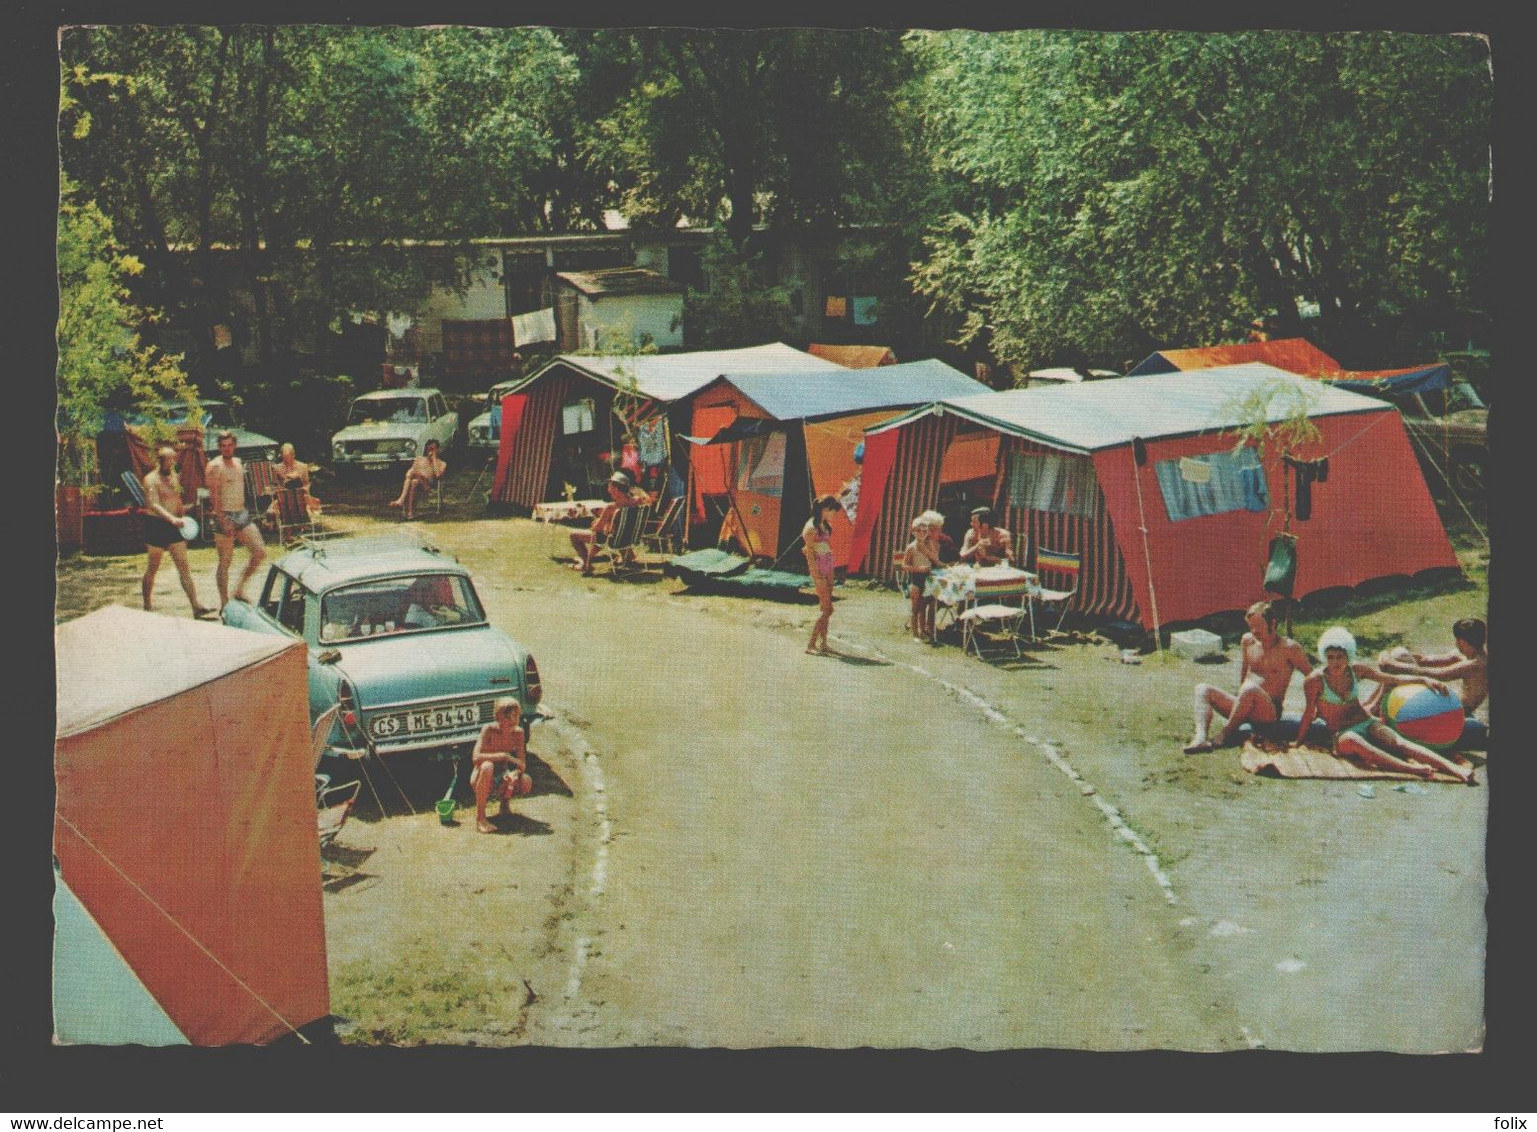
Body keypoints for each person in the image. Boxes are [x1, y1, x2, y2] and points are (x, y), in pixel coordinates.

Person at [1294, 626, 1476, 784]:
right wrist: (1298, 742)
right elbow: (1309, 713)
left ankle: (1455, 770)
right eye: (1331, 657)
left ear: (1348, 655)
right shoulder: (1315, 681)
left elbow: (1392, 679)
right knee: (1355, 742)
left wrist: (1424, 679)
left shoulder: (1356, 670)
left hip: (1366, 722)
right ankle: (1411, 769)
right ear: (1324, 656)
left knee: (1399, 742)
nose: (1335, 662)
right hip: (1341, 734)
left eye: (1340, 657)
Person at [1185, 600, 1311, 752]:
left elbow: (1312, 677)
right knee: (1202, 689)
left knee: (1249, 689)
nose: (1254, 631)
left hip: (1268, 712)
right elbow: (1245, 671)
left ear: (1272, 623)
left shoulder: (1289, 648)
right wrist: (1240, 700)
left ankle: (1225, 733)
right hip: (1245, 702)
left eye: (1258, 626)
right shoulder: (1248, 641)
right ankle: (1200, 738)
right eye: (1251, 626)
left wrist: (1314, 707)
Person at [139, 445, 216, 619]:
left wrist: (184, 515)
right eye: (168, 459)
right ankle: (147, 605)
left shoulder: (174, 477)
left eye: (173, 458)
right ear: (160, 460)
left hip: (175, 526)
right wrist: (172, 519)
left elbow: (176, 500)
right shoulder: (150, 479)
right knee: (153, 568)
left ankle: (196, 606)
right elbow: (154, 504)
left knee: (184, 567)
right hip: (156, 525)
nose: (172, 462)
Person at [1370, 617, 1488, 716]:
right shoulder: (1465, 654)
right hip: (1448, 704)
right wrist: (1397, 659)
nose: (1456, 644)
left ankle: (1374, 709)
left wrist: (1393, 665)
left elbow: (1437, 675)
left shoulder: (1478, 664)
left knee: (1398, 663)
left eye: (1457, 641)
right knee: (1399, 654)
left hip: (1457, 712)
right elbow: (1424, 660)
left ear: (1462, 642)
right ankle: (1371, 703)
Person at [204, 429, 267, 609]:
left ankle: (239, 590)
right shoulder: (215, 466)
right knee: (225, 561)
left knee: (260, 552)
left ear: (235, 446)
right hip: (224, 515)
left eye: (230, 445)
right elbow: (213, 496)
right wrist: (222, 519)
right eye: (223, 446)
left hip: (242, 514)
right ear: (219, 447)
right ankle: (224, 603)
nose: (227, 449)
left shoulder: (239, 463)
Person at [470, 698, 530, 834]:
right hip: (481, 776)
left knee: (526, 780)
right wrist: (504, 756)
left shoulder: (518, 733)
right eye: (507, 717)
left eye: (516, 716)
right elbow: (476, 758)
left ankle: (504, 806)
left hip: (501, 776)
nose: (512, 722)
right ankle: (480, 818)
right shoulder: (489, 730)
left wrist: (515, 772)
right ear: (497, 717)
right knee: (487, 766)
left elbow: (522, 764)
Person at [569, 471, 641, 576]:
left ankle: (586, 564)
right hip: (628, 538)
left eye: (609, 486)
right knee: (606, 531)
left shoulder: (611, 507)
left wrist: (597, 521)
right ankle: (627, 556)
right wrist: (606, 520)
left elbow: (596, 529)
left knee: (574, 536)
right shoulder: (637, 502)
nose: (608, 490)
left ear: (616, 489)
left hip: (612, 539)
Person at [803, 495, 843, 655]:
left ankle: (823, 643)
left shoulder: (824, 525)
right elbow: (809, 553)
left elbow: (823, 546)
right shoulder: (810, 528)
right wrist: (817, 575)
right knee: (827, 608)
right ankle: (811, 644)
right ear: (825, 510)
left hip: (828, 565)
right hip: (818, 568)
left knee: (826, 607)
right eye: (833, 511)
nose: (835, 514)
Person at [902, 514, 943, 641]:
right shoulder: (911, 547)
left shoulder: (929, 544)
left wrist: (926, 549)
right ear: (913, 532)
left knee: (924, 606)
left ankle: (923, 630)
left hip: (928, 578)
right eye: (918, 531)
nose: (922, 533)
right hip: (916, 578)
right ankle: (915, 634)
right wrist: (918, 569)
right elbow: (904, 566)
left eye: (925, 531)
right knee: (915, 607)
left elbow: (935, 559)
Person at [388, 437, 446, 520]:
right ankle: (410, 513)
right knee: (413, 481)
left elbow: (438, 476)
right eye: (429, 449)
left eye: (433, 449)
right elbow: (410, 474)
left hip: (428, 486)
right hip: (417, 482)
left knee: (412, 474)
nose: (430, 451)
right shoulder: (419, 459)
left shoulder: (442, 463)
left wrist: (433, 459)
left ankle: (401, 499)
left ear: (437, 450)